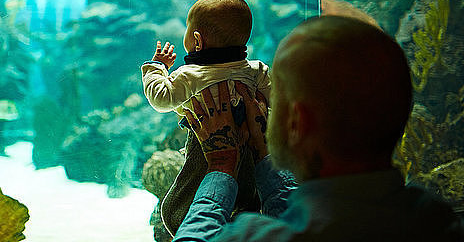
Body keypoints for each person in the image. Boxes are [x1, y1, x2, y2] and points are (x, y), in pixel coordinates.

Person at [173, 15, 464, 241]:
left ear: (298, 123)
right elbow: (309, 216)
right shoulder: (437, 219)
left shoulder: (256, 236)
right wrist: (263, 153)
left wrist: (222, 166)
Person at [141, 0, 279, 235]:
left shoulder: (190, 76)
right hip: (251, 147)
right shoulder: (257, 70)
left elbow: (161, 99)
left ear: (196, 40)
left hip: (206, 146)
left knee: (178, 206)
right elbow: (275, 100)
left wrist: (156, 68)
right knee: (248, 189)